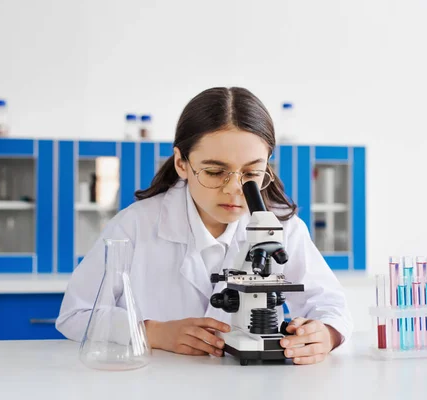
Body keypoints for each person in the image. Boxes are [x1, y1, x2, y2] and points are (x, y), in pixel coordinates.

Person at [56, 87, 353, 365]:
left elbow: (331, 305)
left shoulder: (281, 228)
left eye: (251, 172)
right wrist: (151, 332)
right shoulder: (135, 225)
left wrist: (325, 334)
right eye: (214, 171)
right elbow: (75, 314)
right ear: (181, 163)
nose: (234, 188)